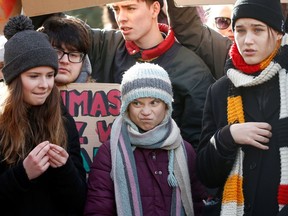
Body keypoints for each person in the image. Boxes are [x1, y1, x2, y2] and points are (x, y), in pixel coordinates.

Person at [196, 0, 288, 215]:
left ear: (277, 34)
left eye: (258, 30)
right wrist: (227, 137)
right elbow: (205, 175)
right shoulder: (219, 91)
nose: (247, 40)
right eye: (240, 30)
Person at [87, 0, 214, 148]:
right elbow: (59, 28)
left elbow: (197, 145)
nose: (121, 17)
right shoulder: (106, 45)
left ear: (154, 9)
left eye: (130, 8)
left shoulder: (192, 71)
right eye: (116, 9)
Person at [84, 62, 207, 216]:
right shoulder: (109, 151)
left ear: (166, 105)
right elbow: (98, 208)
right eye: (137, 103)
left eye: (154, 103)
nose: (146, 112)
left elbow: (198, 206)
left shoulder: (185, 150)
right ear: (126, 107)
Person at [0, 15, 86, 215]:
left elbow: (79, 202)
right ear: (14, 79)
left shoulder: (63, 121)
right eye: (34, 76)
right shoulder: (2, 124)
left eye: (49, 75)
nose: (44, 85)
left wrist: (65, 169)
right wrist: (22, 174)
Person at [166, 0, 232, 80]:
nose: (231, 29)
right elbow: (187, 26)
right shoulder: (220, 50)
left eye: (238, 24)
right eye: (223, 21)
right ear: (211, 24)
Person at [38, 15, 92, 85]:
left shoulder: (101, 95)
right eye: (57, 52)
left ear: (84, 63)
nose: (65, 61)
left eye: (73, 55)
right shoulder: (21, 93)